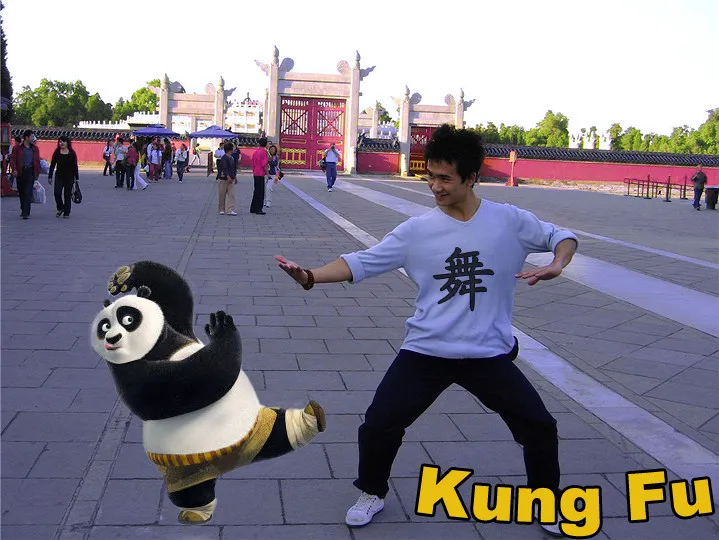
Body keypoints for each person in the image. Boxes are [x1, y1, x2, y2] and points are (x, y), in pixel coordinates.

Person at [274, 124, 578, 537]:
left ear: (471, 178)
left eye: (445, 179)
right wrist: (310, 276)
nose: (435, 186)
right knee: (379, 424)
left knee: (539, 426)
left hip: (487, 353)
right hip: (426, 350)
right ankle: (372, 492)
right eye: (430, 176)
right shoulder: (417, 230)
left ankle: (545, 502)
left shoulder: (509, 220)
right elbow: (361, 262)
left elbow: (561, 237)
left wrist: (558, 262)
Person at [10, 129, 41, 219]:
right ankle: (23, 208)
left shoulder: (35, 149)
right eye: (32, 136)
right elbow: (13, 159)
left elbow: (37, 161)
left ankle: (26, 212)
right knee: (21, 191)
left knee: (28, 192)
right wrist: (14, 169)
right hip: (20, 171)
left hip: (30, 172)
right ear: (27, 138)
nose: (33, 138)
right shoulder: (17, 148)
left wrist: (37, 172)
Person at [48, 136, 80, 218]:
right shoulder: (57, 152)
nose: (61, 143)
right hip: (59, 176)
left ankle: (66, 212)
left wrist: (77, 178)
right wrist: (50, 176)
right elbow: (52, 165)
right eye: (60, 141)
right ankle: (61, 207)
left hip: (69, 177)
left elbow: (75, 166)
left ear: (67, 143)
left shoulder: (72, 153)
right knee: (57, 193)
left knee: (67, 195)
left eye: (63, 141)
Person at [217, 141, 237, 216]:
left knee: (231, 194)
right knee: (222, 194)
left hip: (232, 178)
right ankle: (221, 209)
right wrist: (227, 176)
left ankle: (230, 209)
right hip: (223, 178)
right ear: (230, 149)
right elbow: (224, 168)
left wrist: (235, 177)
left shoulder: (232, 158)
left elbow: (234, 168)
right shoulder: (224, 158)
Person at [250, 137, 269, 215]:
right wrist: (268, 173)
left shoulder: (256, 152)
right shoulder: (264, 152)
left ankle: (253, 208)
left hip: (255, 172)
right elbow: (264, 164)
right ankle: (258, 208)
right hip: (260, 173)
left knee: (256, 190)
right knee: (260, 192)